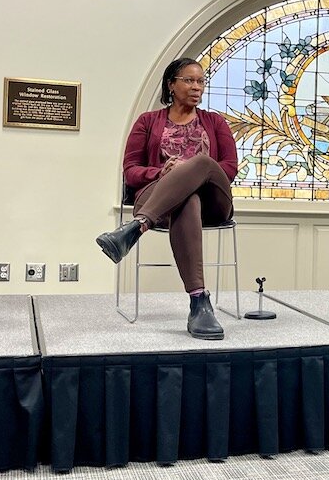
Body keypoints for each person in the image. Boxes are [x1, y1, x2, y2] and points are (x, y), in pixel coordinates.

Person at [96, 58, 238, 340]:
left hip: (214, 203)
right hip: (162, 200)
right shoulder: (148, 122)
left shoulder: (215, 122)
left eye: (200, 81)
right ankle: (199, 302)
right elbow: (131, 171)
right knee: (187, 200)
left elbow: (230, 168)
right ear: (171, 85)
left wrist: (189, 170)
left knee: (201, 164)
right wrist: (162, 171)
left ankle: (134, 229)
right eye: (189, 80)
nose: (196, 87)